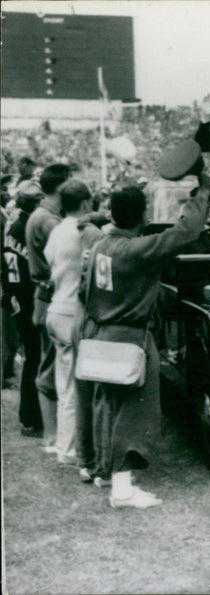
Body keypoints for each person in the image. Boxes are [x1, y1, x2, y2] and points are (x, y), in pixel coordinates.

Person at [81, 179, 210, 508]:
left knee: (107, 407)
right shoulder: (136, 250)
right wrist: (203, 195)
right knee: (136, 412)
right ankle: (122, 489)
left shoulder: (100, 244)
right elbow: (186, 233)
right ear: (141, 215)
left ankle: (105, 471)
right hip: (131, 337)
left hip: (101, 332)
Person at [44, 180, 104, 468]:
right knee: (76, 390)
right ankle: (70, 450)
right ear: (84, 204)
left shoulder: (56, 229)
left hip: (56, 309)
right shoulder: (84, 232)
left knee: (64, 384)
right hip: (72, 313)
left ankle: (64, 445)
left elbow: (47, 263)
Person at [25, 164, 72, 453]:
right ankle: (52, 437)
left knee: (50, 364)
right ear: (62, 187)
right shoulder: (49, 221)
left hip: (45, 297)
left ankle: (53, 435)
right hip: (51, 296)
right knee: (50, 368)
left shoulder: (44, 215)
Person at [2, 180, 44, 436]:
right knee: (34, 359)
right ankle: (30, 416)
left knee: (32, 357)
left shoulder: (12, 225)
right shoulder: (26, 227)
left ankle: (30, 415)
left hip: (15, 296)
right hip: (27, 299)